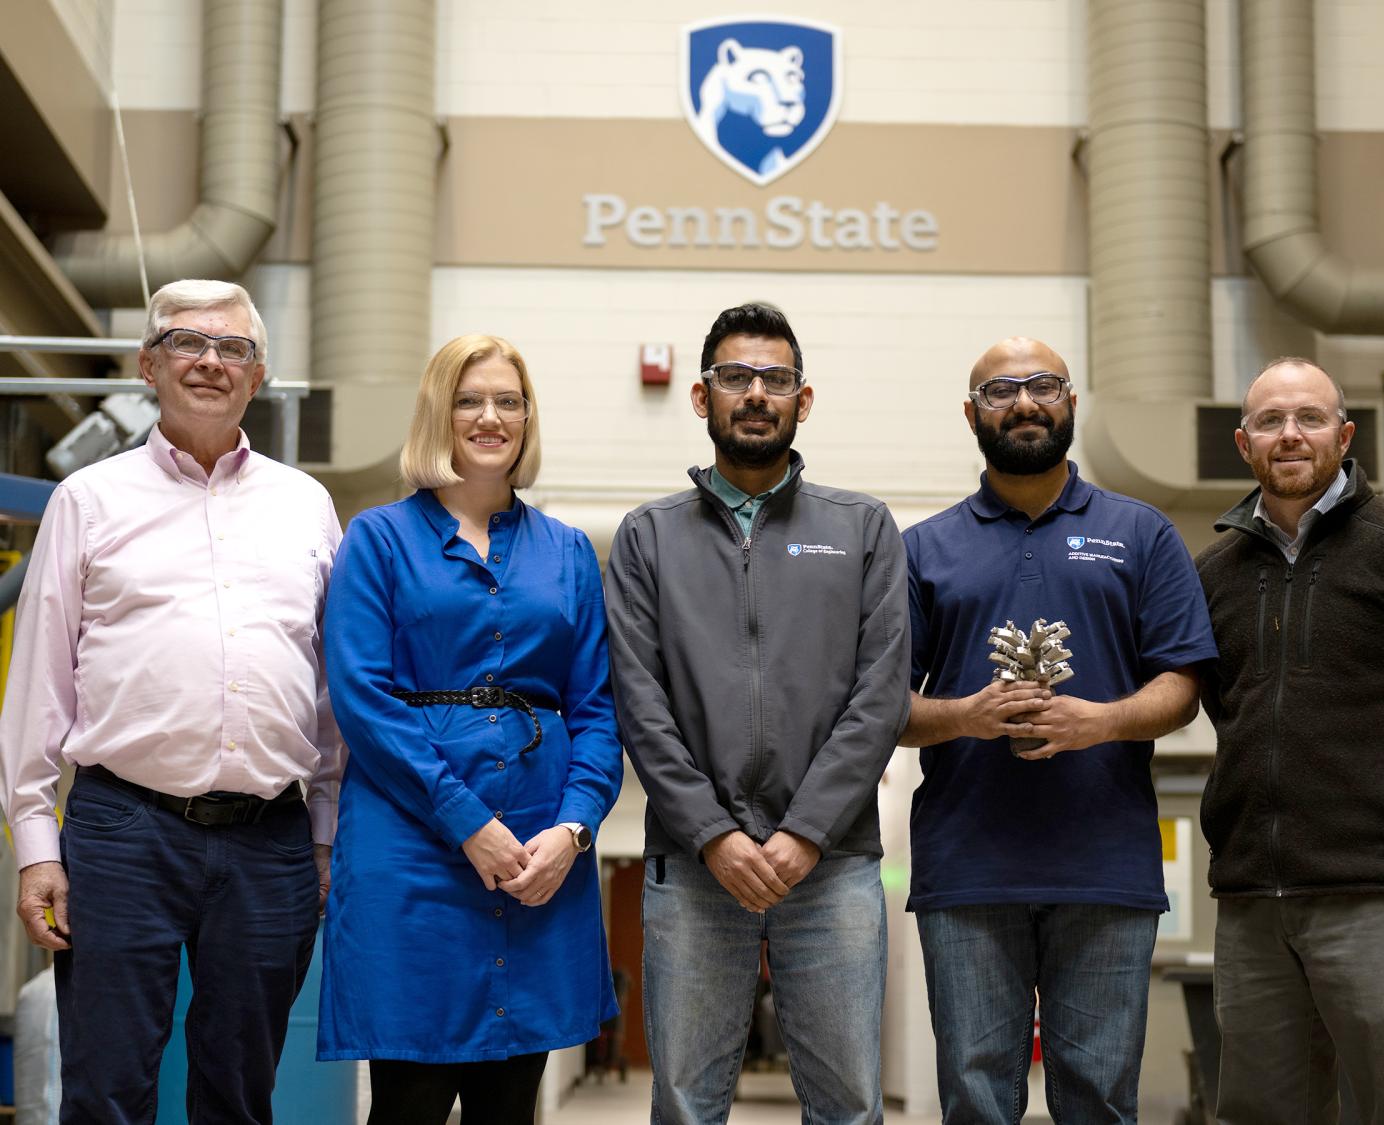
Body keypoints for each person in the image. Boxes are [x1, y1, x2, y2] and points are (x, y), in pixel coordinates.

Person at [0, 278, 342, 1123]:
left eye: (233, 348)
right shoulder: (90, 500)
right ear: (149, 364)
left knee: (240, 1089)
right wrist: (37, 843)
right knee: (107, 1085)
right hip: (123, 833)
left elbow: (333, 689)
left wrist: (328, 831)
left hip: (271, 838)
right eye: (187, 342)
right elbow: (39, 682)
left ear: (257, 376)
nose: (210, 361)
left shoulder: (307, 505)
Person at [605, 302, 910, 1125]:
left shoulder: (865, 529)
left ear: (802, 401)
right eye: (735, 377)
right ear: (701, 398)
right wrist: (715, 833)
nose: (755, 394)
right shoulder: (647, 537)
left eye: (776, 379)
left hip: (835, 861)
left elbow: (880, 695)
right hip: (696, 865)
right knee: (685, 1103)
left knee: (848, 1103)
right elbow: (640, 700)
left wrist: (806, 829)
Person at [899, 336, 1216, 1124]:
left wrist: (1099, 722)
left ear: (1072, 402)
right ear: (972, 414)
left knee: (1101, 1099)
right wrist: (968, 714)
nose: (1025, 402)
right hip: (968, 871)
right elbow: (883, 709)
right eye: (1000, 390)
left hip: (1105, 867)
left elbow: (1183, 688)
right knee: (975, 1100)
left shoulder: (1141, 533)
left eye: (1043, 384)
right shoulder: (922, 549)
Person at [316, 334, 622, 1124]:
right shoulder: (377, 540)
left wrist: (576, 829)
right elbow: (362, 697)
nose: (491, 416)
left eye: (508, 401)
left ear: (528, 418)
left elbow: (595, 709)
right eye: (469, 399)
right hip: (410, 849)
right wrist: (468, 822)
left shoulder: (567, 553)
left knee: (509, 1105)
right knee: (410, 1103)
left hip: (539, 857)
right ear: (438, 414)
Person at [1195, 357, 1384, 1125]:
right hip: (1254, 901)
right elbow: (1223, 708)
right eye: (1270, 421)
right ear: (1243, 441)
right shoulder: (1214, 573)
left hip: (1380, 897)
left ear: (1345, 433)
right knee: (1257, 1114)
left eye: (1310, 417)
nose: (1290, 434)